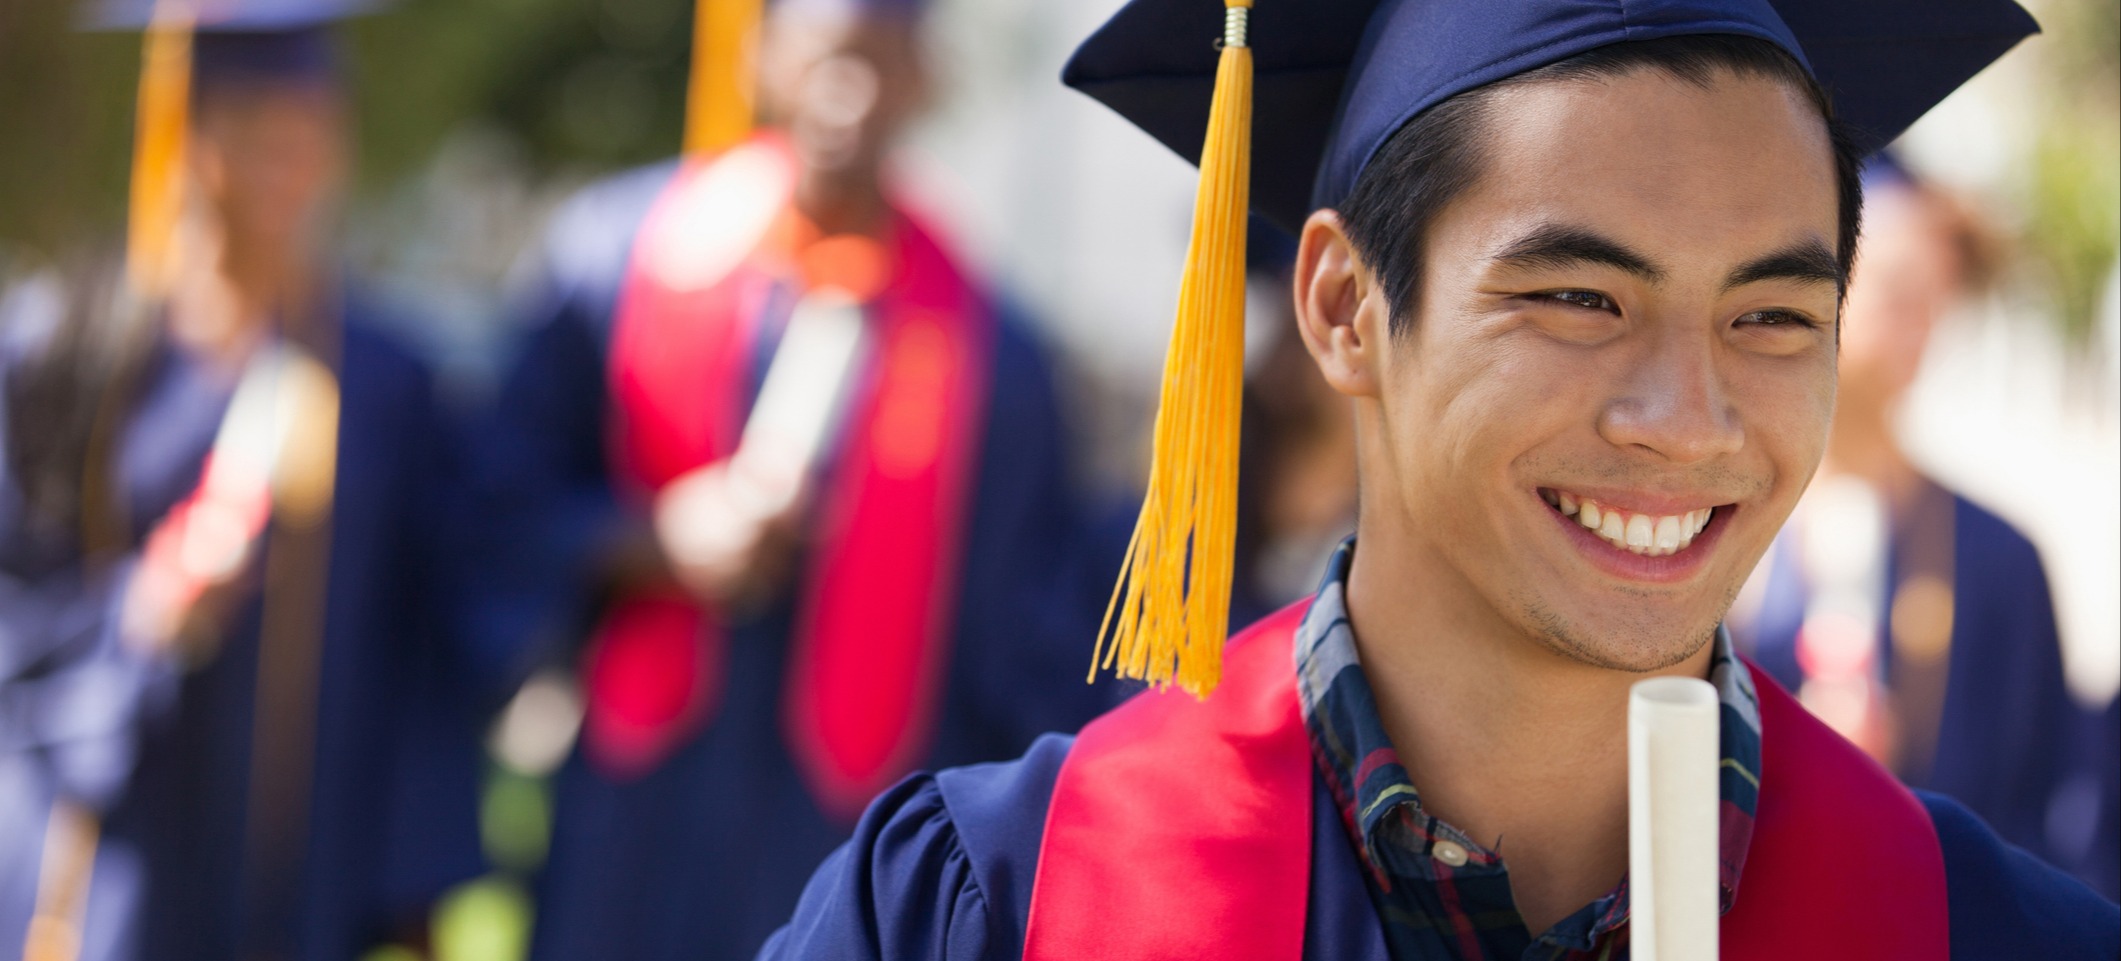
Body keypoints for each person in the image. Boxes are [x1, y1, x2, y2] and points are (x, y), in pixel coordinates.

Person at [759, 0, 2121, 958]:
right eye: (1582, 298)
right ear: (1346, 306)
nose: (1685, 421)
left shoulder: (1986, 935)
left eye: (1769, 317)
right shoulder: (990, 910)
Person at [461, 0, 1115, 957]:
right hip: (633, 820)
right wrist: (647, 543)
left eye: (884, 62)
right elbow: (496, 502)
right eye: (826, 60)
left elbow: (1021, 634)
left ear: (925, 81)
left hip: (841, 843)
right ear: (761, 59)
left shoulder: (993, 357)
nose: (850, 94)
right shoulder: (614, 262)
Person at [0, 2, 483, 958]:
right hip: (110, 846)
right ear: (191, 136)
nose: (293, 170)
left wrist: (410, 888)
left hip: (308, 862)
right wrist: (139, 617)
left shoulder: (386, 379)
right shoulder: (67, 351)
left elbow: (425, 646)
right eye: (261, 137)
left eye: (314, 136)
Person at [1727, 155, 2115, 888]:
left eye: (1934, 299)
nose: (1922, 328)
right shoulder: (1710, 526)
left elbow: (2052, 813)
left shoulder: (1999, 558)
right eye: (1898, 295)